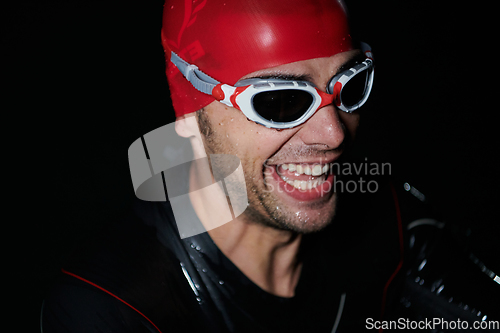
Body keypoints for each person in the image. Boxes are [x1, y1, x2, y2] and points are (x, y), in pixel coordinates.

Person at [41, 0, 500, 332]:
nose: (334, 134)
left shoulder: (391, 225)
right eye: (281, 102)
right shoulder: (114, 308)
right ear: (189, 117)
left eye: (348, 86)